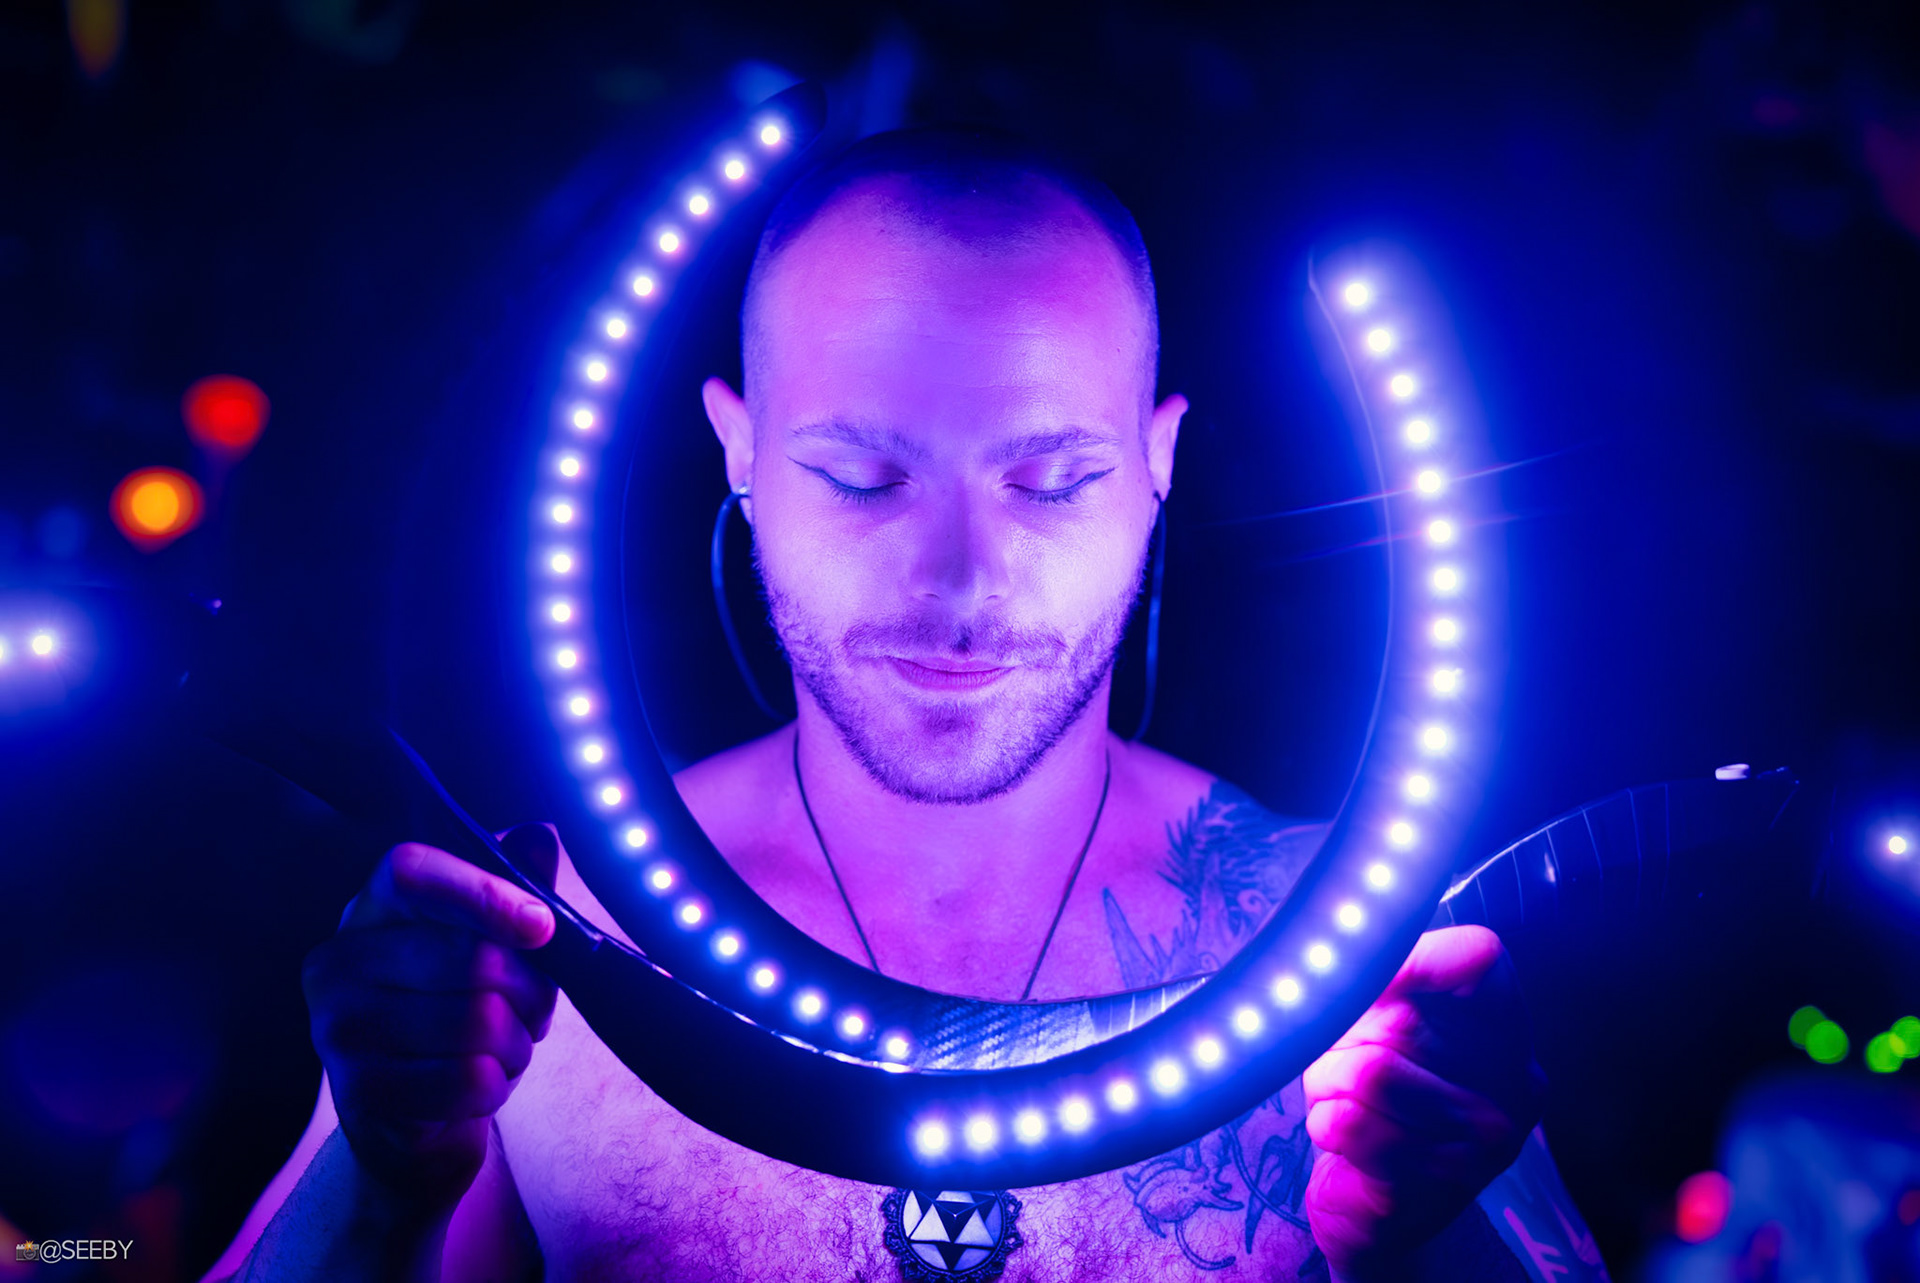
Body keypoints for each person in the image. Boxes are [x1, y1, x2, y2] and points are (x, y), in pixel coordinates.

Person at [205, 128, 1589, 1283]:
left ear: (1157, 464)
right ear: (740, 452)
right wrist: (378, 1190)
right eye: (864, 479)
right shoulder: (546, 949)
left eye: (1050, 482)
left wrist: (1431, 1234)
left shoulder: (1342, 959)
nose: (961, 581)